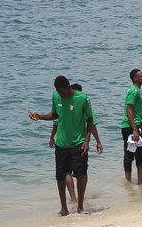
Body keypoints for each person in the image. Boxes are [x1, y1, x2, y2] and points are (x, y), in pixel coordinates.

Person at [29, 75, 102, 216]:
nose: (61, 95)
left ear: (68, 88)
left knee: (81, 174)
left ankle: (80, 207)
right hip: (62, 143)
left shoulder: (83, 98)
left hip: (79, 142)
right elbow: (55, 115)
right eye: (58, 92)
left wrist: (87, 141)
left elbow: (90, 120)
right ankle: (64, 208)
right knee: (60, 176)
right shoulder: (56, 96)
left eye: (62, 92)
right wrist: (40, 117)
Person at [123, 70, 142, 183]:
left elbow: (135, 107)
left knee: (140, 155)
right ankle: (131, 183)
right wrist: (134, 129)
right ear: (135, 79)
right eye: (141, 76)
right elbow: (129, 109)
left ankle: (139, 182)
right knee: (132, 156)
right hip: (132, 126)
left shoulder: (137, 91)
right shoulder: (134, 91)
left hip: (136, 125)